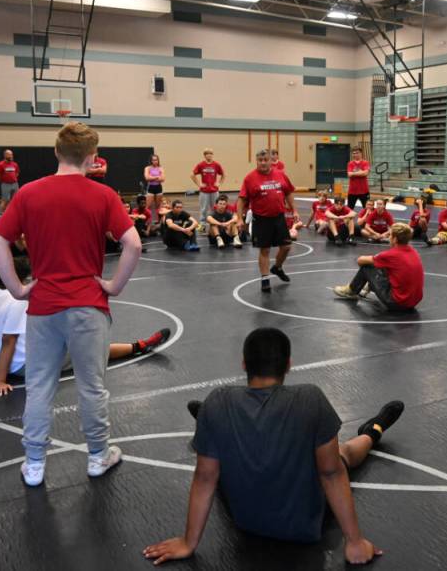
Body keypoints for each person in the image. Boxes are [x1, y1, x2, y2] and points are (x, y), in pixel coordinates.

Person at [143, 327, 398, 565]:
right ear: (288, 365)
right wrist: (354, 541)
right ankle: (373, 430)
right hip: (303, 527)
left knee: (221, 457)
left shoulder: (218, 399)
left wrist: (189, 543)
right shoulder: (310, 398)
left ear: (244, 364)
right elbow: (331, 473)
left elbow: (205, 477)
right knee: (343, 453)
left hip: (245, 520)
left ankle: (209, 423)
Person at [0, 121, 143, 487]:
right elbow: (134, 244)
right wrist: (113, 286)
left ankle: (35, 463)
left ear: (56, 152)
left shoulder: (28, 193)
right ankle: (96, 455)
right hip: (88, 306)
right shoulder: (103, 195)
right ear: (92, 158)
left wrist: (16, 288)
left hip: (44, 307)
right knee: (92, 386)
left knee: (40, 385)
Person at [0, 257, 168, 396]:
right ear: (19, 279)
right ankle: (139, 346)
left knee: (58, 333)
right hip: (25, 367)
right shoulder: (16, 300)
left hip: (16, 362)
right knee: (89, 345)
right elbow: (8, 341)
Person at [238, 149, 297, 293]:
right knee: (265, 249)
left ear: (272, 161)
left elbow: (288, 192)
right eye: (260, 160)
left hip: (279, 217)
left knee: (286, 247)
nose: (263, 163)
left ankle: (277, 267)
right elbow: (242, 199)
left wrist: (294, 210)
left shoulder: (280, 174)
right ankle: (265, 279)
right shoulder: (250, 178)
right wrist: (240, 218)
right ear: (257, 161)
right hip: (261, 219)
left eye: (266, 160)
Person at [334, 223, 424, 312]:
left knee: (367, 267)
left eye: (390, 235)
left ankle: (351, 291)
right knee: (382, 266)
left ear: (395, 239)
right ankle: (368, 286)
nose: (388, 238)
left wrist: (375, 260)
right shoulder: (413, 252)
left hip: (397, 303)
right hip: (413, 302)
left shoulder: (391, 255)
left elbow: (360, 260)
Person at [191, 149, 225, 225]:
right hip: (204, 191)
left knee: (215, 208)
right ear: (205, 155)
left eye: (210, 153)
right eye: (207, 154)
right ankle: (202, 225)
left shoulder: (216, 164)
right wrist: (199, 184)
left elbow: (223, 175)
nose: (209, 155)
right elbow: (192, 175)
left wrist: (219, 183)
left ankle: (214, 224)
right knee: (204, 209)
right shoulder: (201, 165)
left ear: (212, 155)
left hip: (214, 191)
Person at [0, 149, 20, 215]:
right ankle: (1, 213)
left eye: (12, 155)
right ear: (5, 155)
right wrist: (3, 180)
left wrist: (13, 179)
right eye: (10, 155)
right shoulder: (0, 164)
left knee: (15, 199)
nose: (11, 156)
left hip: (14, 184)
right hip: (6, 184)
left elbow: (17, 173)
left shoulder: (15, 164)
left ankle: (11, 212)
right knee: (5, 200)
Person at [145, 154, 165, 219]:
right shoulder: (147, 168)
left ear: (158, 160)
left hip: (158, 188)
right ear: (151, 161)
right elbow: (147, 178)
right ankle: (147, 221)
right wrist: (157, 177)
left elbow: (163, 179)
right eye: (153, 160)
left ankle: (159, 222)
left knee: (158, 207)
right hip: (151, 187)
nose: (155, 161)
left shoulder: (160, 168)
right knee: (147, 206)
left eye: (156, 160)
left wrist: (152, 177)